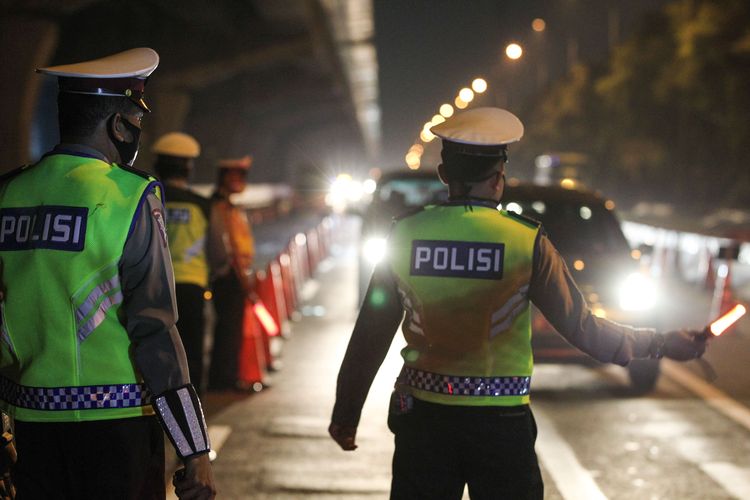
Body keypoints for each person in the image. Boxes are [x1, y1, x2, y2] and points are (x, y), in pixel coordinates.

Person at [329, 107, 707, 500]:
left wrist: (347, 411)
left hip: (423, 420)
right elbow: (583, 329)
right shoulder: (526, 241)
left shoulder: (403, 235)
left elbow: (370, 335)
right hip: (500, 423)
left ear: (444, 175)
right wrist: (660, 344)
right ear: (498, 179)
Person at [0, 48, 216, 499]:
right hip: (118, 431)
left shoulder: (9, 192)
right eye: (136, 120)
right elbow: (154, 328)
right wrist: (193, 448)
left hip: (30, 428)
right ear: (119, 125)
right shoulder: (128, 196)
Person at [153, 132, 213, 395]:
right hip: (190, 283)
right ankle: (191, 398)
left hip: (155, 284)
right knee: (191, 347)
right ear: (189, 167)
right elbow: (216, 247)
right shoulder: (201, 205)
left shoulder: (147, 199)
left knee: (157, 344)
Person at [206, 156, 259, 391]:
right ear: (227, 177)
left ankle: (226, 376)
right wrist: (243, 279)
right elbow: (229, 248)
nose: (242, 182)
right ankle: (224, 380)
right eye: (239, 176)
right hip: (228, 276)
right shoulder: (219, 207)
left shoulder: (230, 206)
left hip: (235, 274)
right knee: (228, 329)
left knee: (230, 328)